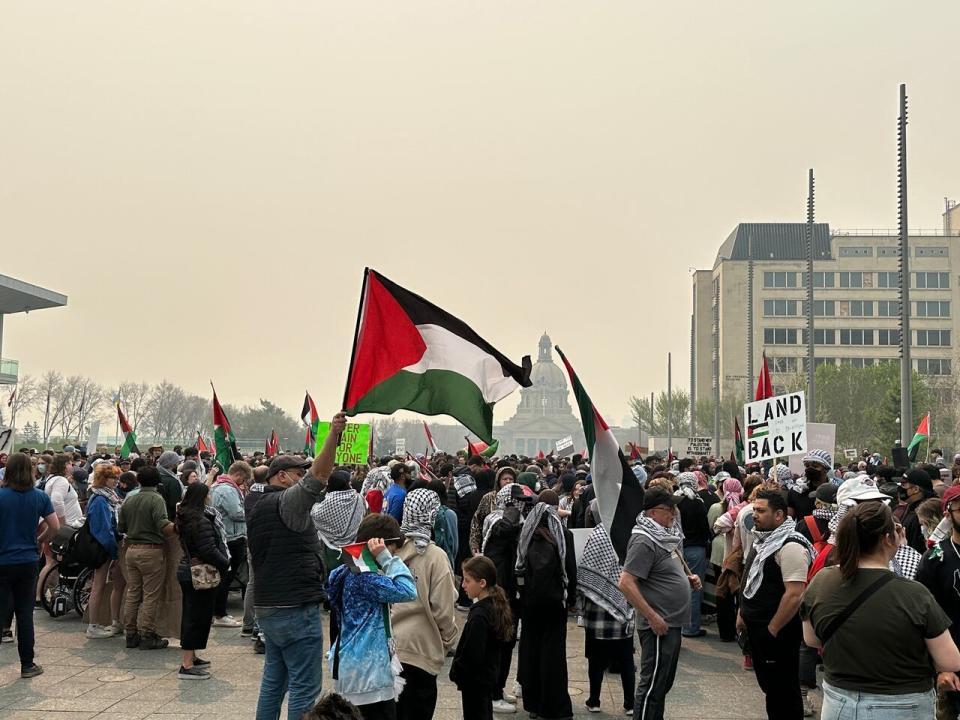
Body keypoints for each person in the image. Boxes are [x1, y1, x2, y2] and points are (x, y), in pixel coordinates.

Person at [802, 501, 960, 719]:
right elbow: (950, 661)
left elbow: (811, 639)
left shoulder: (822, 580)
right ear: (887, 539)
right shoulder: (914, 594)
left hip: (839, 701)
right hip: (903, 704)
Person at [248, 412, 345, 720]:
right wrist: (334, 435)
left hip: (270, 605)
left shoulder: (258, 502)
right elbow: (319, 476)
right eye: (296, 472)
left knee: (274, 683)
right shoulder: (287, 502)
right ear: (281, 476)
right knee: (305, 687)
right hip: (293, 606)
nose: (302, 476)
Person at [618, 488, 700, 720]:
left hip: (671, 622)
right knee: (652, 684)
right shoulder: (645, 540)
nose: (674, 513)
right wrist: (652, 616)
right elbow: (625, 582)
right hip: (658, 625)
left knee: (662, 683)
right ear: (653, 513)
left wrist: (687, 579)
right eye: (669, 509)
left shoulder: (664, 536)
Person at [327, 513, 418, 719]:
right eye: (393, 549)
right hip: (366, 672)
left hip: (351, 663)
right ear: (380, 544)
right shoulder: (365, 577)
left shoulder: (345, 570)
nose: (395, 554)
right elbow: (408, 590)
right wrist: (386, 558)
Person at [737, 490, 814, 720]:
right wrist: (743, 612)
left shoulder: (790, 546)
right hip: (759, 629)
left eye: (761, 511)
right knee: (772, 689)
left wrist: (772, 629)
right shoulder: (764, 540)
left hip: (777, 633)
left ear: (779, 515)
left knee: (783, 691)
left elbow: (794, 595)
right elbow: (751, 579)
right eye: (754, 510)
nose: (755, 516)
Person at [393, 488, 459, 720]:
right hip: (422, 648)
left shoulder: (390, 551)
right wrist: (448, 640)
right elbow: (443, 608)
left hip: (389, 647)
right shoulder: (435, 556)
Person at [515, 490, 577, 720]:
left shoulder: (525, 532)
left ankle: (533, 704)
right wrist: (571, 599)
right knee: (554, 656)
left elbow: (518, 567)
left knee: (531, 651)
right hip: (554, 604)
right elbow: (570, 570)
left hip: (530, 604)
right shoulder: (563, 534)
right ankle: (556, 706)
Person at [0, 453, 60, 678]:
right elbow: (54, 526)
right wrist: (40, 540)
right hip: (27, 560)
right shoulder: (39, 497)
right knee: (25, 614)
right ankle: (27, 664)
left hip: (2, 559)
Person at [578, 522, 635, 715]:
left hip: (597, 609)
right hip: (623, 604)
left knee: (596, 660)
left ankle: (594, 701)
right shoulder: (630, 531)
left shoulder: (598, 534)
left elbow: (585, 569)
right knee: (627, 659)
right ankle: (630, 703)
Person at [175, 482, 230, 680]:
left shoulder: (184, 516)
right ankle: (187, 664)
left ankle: (192, 657)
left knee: (193, 614)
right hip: (199, 572)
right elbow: (208, 549)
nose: (210, 497)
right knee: (196, 617)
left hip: (187, 569)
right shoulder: (201, 520)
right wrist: (225, 563)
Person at [118, 465, 177, 650]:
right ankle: (147, 635)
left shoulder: (130, 499)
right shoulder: (156, 499)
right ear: (157, 481)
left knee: (133, 593)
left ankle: (130, 633)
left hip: (131, 550)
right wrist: (177, 528)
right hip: (151, 551)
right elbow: (162, 525)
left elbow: (121, 527)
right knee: (150, 595)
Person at [916, 485, 960, 720]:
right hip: (952, 665)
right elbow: (923, 617)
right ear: (948, 513)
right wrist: (940, 668)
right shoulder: (934, 559)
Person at [451, 556, 513, 720]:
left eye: (467, 580)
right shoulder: (494, 606)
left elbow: (472, 652)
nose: (463, 585)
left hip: (475, 681)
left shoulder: (479, 615)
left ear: (482, 583)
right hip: (485, 679)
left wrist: (457, 670)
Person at [211, 460, 252, 628]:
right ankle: (220, 613)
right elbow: (236, 513)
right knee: (226, 577)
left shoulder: (216, 486)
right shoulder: (228, 490)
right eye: (244, 479)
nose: (244, 483)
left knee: (222, 577)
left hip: (224, 535)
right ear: (239, 475)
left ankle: (217, 611)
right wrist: (251, 510)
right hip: (232, 537)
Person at [84, 463, 123, 639]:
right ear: (103, 479)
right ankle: (92, 625)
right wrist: (113, 551)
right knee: (98, 586)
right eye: (112, 477)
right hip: (102, 547)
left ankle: (95, 623)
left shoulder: (104, 496)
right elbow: (103, 529)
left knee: (98, 585)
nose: (115, 481)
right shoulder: (101, 500)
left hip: (102, 546)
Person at [675, 472, 710, 638]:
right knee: (694, 589)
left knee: (678, 588)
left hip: (675, 550)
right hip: (695, 549)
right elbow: (705, 528)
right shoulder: (697, 503)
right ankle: (690, 627)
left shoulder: (674, 501)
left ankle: (677, 625)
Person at [901, 467, 936, 554]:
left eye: (904, 485)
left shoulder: (924, 515)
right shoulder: (911, 508)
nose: (901, 488)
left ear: (916, 489)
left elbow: (918, 549)